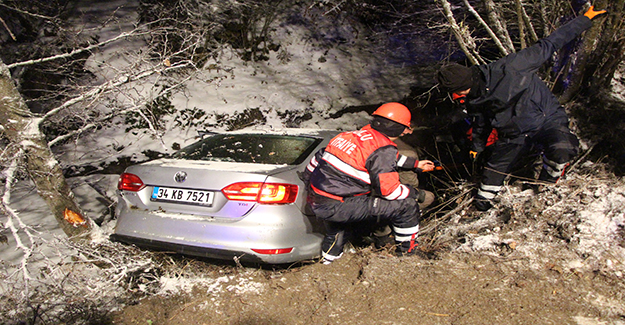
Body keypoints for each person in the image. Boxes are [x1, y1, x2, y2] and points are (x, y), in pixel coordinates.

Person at [437, 6, 606, 211]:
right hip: (514, 133)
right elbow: (480, 123)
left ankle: (545, 186)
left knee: (562, 149)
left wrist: (585, 19)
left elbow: (550, 43)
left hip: (545, 119)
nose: (458, 97)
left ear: (465, 84)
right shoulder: (474, 98)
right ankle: (482, 208)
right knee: (490, 178)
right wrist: (477, 148)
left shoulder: (512, 67)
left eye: (457, 92)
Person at [302, 102, 435, 263]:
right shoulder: (383, 149)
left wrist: (415, 164)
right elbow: (390, 191)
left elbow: (318, 159)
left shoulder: (349, 136)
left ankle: (327, 264)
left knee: (337, 232)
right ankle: (408, 254)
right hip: (341, 204)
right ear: (398, 128)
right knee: (406, 206)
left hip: (319, 200)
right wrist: (416, 193)